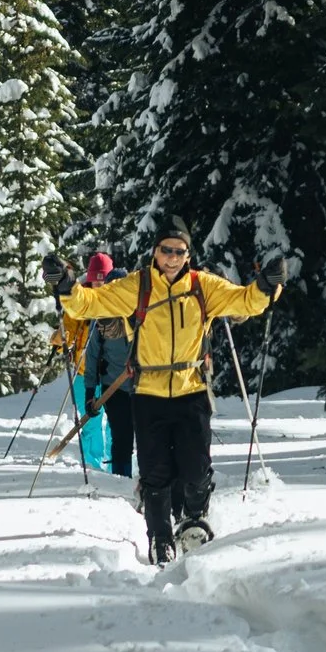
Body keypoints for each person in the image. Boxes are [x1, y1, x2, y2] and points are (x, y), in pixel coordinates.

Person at [42, 227, 285, 564]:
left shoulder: (203, 286)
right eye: (166, 250)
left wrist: (265, 286)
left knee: (197, 469)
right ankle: (160, 538)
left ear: (188, 255)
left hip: (191, 391)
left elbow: (244, 300)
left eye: (179, 252)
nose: (172, 258)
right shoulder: (138, 285)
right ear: (155, 252)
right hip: (148, 394)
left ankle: (193, 520)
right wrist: (68, 285)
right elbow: (91, 304)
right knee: (156, 472)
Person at [78, 254, 137, 481]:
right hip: (115, 387)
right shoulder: (103, 320)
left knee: (149, 440)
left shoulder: (142, 317)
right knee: (121, 438)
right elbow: (91, 358)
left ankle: (153, 487)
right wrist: (91, 393)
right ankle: (122, 481)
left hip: (144, 388)